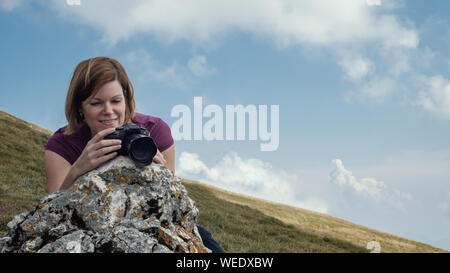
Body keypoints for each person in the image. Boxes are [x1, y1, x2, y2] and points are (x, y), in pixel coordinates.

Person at [44, 56, 224, 253]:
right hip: (89, 228)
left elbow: (173, 207)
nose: (108, 111)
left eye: (116, 101)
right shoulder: (62, 144)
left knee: (202, 238)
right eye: (96, 103)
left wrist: (163, 174)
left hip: (153, 224)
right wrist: (78, 169)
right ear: (80, 107)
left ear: (126, 98)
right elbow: (50, 213)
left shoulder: (154, 131)